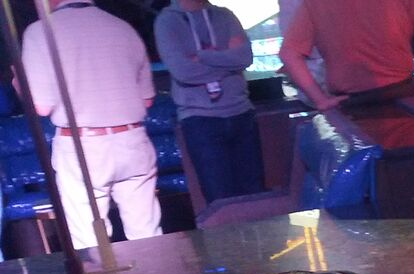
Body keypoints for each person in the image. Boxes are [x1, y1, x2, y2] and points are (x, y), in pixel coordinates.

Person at [21, 0, 161, 250]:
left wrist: (18, 84)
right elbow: (147, 99)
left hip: (83, 145)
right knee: (148, 235)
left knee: (91, 244)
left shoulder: (40, 32)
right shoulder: (122, 27)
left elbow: (41, 107)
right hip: (133, 139)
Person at [155, 0, 265, 205]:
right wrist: (227, 62)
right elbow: (184, 71)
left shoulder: (225, 15)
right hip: (200, 120)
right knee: (220, 198)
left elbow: (244, 57)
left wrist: (202, 56)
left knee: (255, 194)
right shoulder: (167, 21)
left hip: (241, 113)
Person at [278, 0, 414, 110]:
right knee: (412, 151)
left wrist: (321, 100)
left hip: (351, 104)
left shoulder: (314, 3)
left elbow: (289, 53)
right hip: (404, 95)